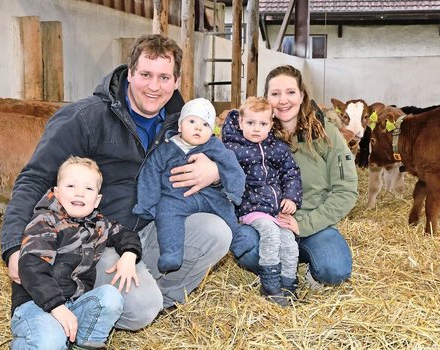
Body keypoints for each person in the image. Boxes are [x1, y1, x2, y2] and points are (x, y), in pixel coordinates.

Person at [0, 34, 231, 331]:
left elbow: (228, 167)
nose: (153, 86)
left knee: (216, 231)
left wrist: (215, 172)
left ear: (176, 81)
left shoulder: (182, 124)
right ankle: (126, 304)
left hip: (152, 228)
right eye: (145, 74)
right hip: (97, 237)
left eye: (163, 77)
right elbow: (33, 179)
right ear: (130, 73)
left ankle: (159, 300)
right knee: (139, 309)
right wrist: (13, 247)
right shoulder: (85, 119)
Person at [230, 65, 358, 288]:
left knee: (334, 270)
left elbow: (346, 190)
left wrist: (304, 224)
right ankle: (276, 268)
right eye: (275, 94)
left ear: (302, 95)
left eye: (290, 92)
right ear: (266, 98)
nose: (283, 100)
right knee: (245, 248)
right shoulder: (254, 135)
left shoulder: (325, 134)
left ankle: (307, 263)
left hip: (312, 224)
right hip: (265, 221)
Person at [11, 156, 142, 349]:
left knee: (110, 297)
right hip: (37, 304)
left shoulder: (98, 224)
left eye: (88, 188)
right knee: (51, 341)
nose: (80, 193)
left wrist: (130, 254)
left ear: (96, 199)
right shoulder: (45, 222)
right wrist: (56, 307)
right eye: (71, 186)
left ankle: (83, 344)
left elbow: (125, 234)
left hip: (74, 303)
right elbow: (32, 268)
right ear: (56, 192)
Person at [133, 98, 245, 274]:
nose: (198, 128)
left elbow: (231, 166)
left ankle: (238, 240)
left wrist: (234, 191)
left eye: (205, 125)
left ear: (212, 131)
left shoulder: (214, 146)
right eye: (192, 121)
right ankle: (171, 253)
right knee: (167, 215)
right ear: (179, 126)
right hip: (176, 197)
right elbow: (150, 174)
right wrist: (147, 204)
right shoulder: (166, 148)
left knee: (225, 207)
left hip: (209, 195)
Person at [222, 96, 302, 306]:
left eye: (263, 124)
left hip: (275, 210)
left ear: (271, 124)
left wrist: (291, 198)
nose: (256, 129)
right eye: (250, 123)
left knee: (290, 244)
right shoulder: (232, 149)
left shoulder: (277, 148)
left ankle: (288, 284)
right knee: (271, 234)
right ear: (240, 122)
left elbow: (291, 173)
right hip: (250, 208)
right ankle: (270, 284)